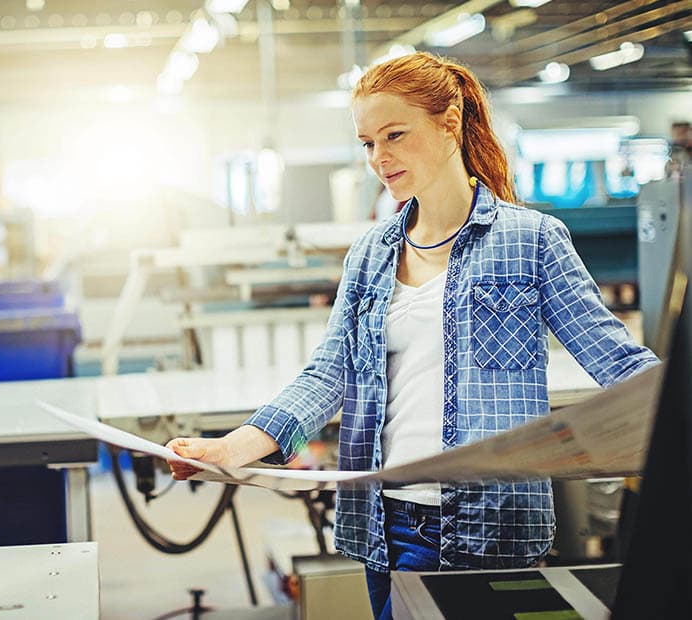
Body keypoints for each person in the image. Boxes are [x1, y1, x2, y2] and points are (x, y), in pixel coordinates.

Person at [167, 52, 659, 620]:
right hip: (385, 522)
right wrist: (233, 448)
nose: (379, 157)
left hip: (490, 521)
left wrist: (673, 409)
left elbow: (616, 359)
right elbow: (329, 375)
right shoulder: (371, 254)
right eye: (367, 143)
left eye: (394, 135)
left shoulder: (532, 240)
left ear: (450, 122)